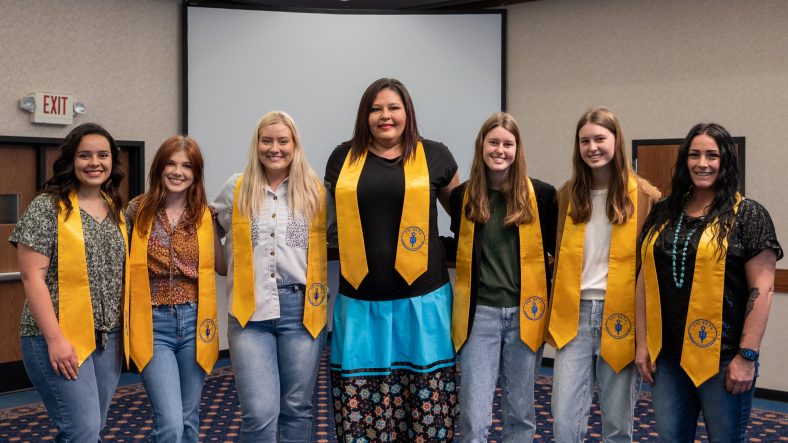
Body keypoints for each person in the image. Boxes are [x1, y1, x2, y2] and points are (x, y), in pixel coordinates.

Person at [325, 77, 460, 441]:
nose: (385, 116)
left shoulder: (435, 155)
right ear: (364, 115)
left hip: (423, 302)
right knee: (363, 419)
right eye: (376, 108)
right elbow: (321, 220)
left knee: (426, 416)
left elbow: (466, 218)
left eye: (393, 107)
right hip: (360, 303)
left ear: (407, 112)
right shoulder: (343, 157)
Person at [635, 123, 781, 442]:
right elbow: (645, 281)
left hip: (724, 357)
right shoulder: (663, 212)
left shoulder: (748, 215)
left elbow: (764, 290)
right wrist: (643, 344)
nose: (703, 163)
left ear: (726, 161)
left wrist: (747, 356)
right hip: (668, 357)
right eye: (695, 154)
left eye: (712, 155)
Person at [9, 122, 129, 441]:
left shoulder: (118, 210)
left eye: (102, 155)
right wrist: (56, 339)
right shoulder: (47, 208)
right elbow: (31, 276)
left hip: (107, 338)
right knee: (82, 429)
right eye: (84, 155)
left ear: (112, 162)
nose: (94, 163)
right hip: (56, 334)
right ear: (70, 160)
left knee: (92, 428)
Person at [547, 107, 660, 443]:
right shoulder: (567, 195)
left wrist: (647, 334)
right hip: (575, 317)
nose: (592, 146)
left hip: (622, 316)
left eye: (600, 138)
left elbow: (652, 272)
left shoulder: (646, 196)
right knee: (564, 421)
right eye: (585, 140)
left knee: (617, 425)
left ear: (616, 141)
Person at [214, 111, 328, 442]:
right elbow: (205, 220)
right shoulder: (235, 188)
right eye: (267, 141)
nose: (274, 148)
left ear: (294, 145)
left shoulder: (315, 190)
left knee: (296, 407)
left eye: (282, 141)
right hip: (250, 314)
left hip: (301, 311)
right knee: (260, 413)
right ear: (257, 144)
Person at [444, 112, 557, 442]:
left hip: (526, 315)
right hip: (479, 317)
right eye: (493, 142)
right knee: (474, 418)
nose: (500, 150)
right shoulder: (462, 196)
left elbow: (554, 253)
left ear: (518, 149)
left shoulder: (543, 195)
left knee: (520, 414)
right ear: (482, 146)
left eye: (508, 144)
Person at [125, 135, 224, 442]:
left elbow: (222, 267)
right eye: (171, 163)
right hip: (153, 323)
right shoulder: (136, 211)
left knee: (188, 418)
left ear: (196, 173)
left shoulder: (205, 215)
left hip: (196, 321)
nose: (178, 171)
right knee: (169, 422)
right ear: (159, 167)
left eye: (187, 166)